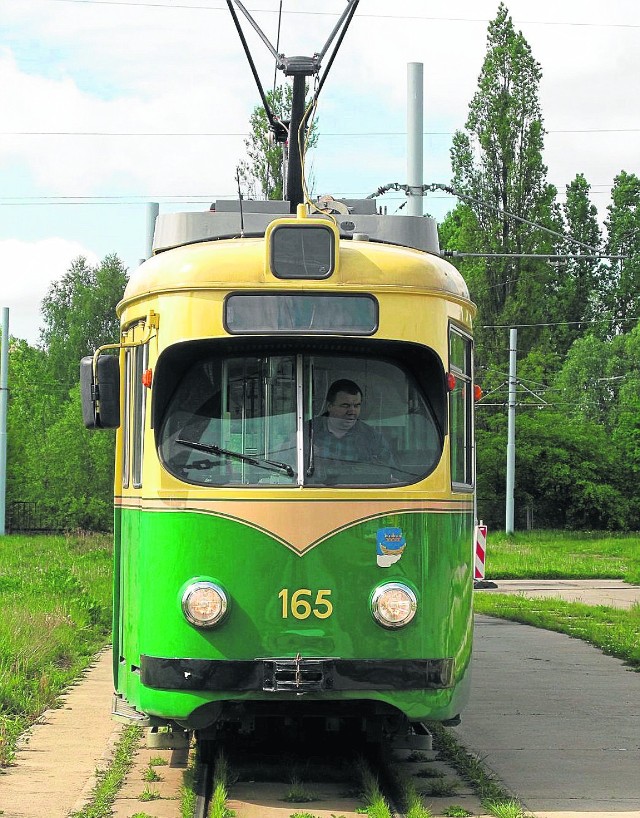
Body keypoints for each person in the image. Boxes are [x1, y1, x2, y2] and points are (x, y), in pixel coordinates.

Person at [309, 379, 396, 483]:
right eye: (345, 405)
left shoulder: (372, 437)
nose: (352, 411)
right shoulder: (307, 432)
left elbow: (391, 472)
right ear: (330, 406)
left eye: (356, 406)